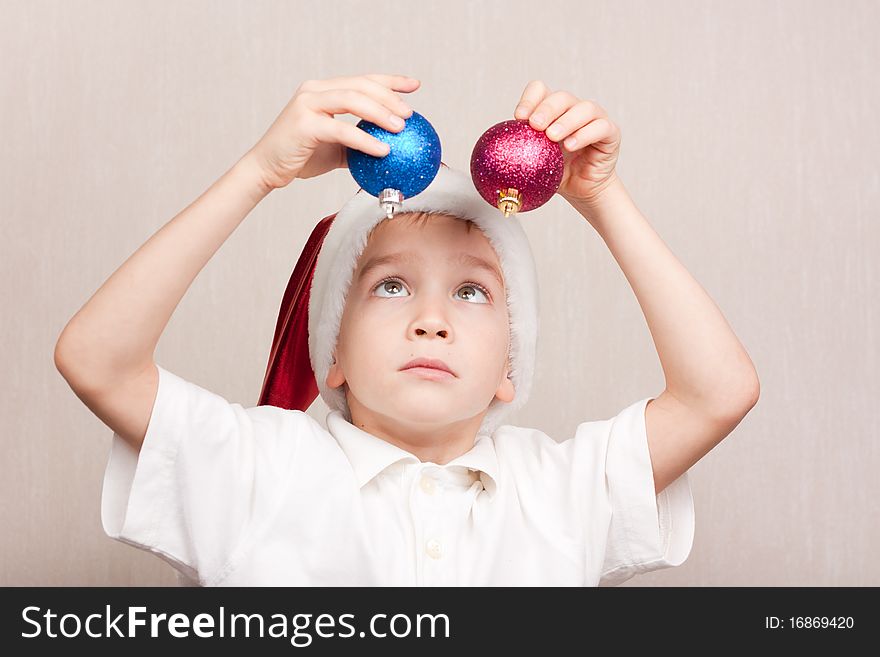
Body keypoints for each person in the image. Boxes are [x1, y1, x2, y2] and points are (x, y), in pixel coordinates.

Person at [54, 73, 760, 586]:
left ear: (511, 364)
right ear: (332, 350)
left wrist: (603, 197)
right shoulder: (252, 469)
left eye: (472, 291)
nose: (431, 320)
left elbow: (717, 393)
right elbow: (96, 361)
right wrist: (258, 174)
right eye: (391, 285)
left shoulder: (561, 491)